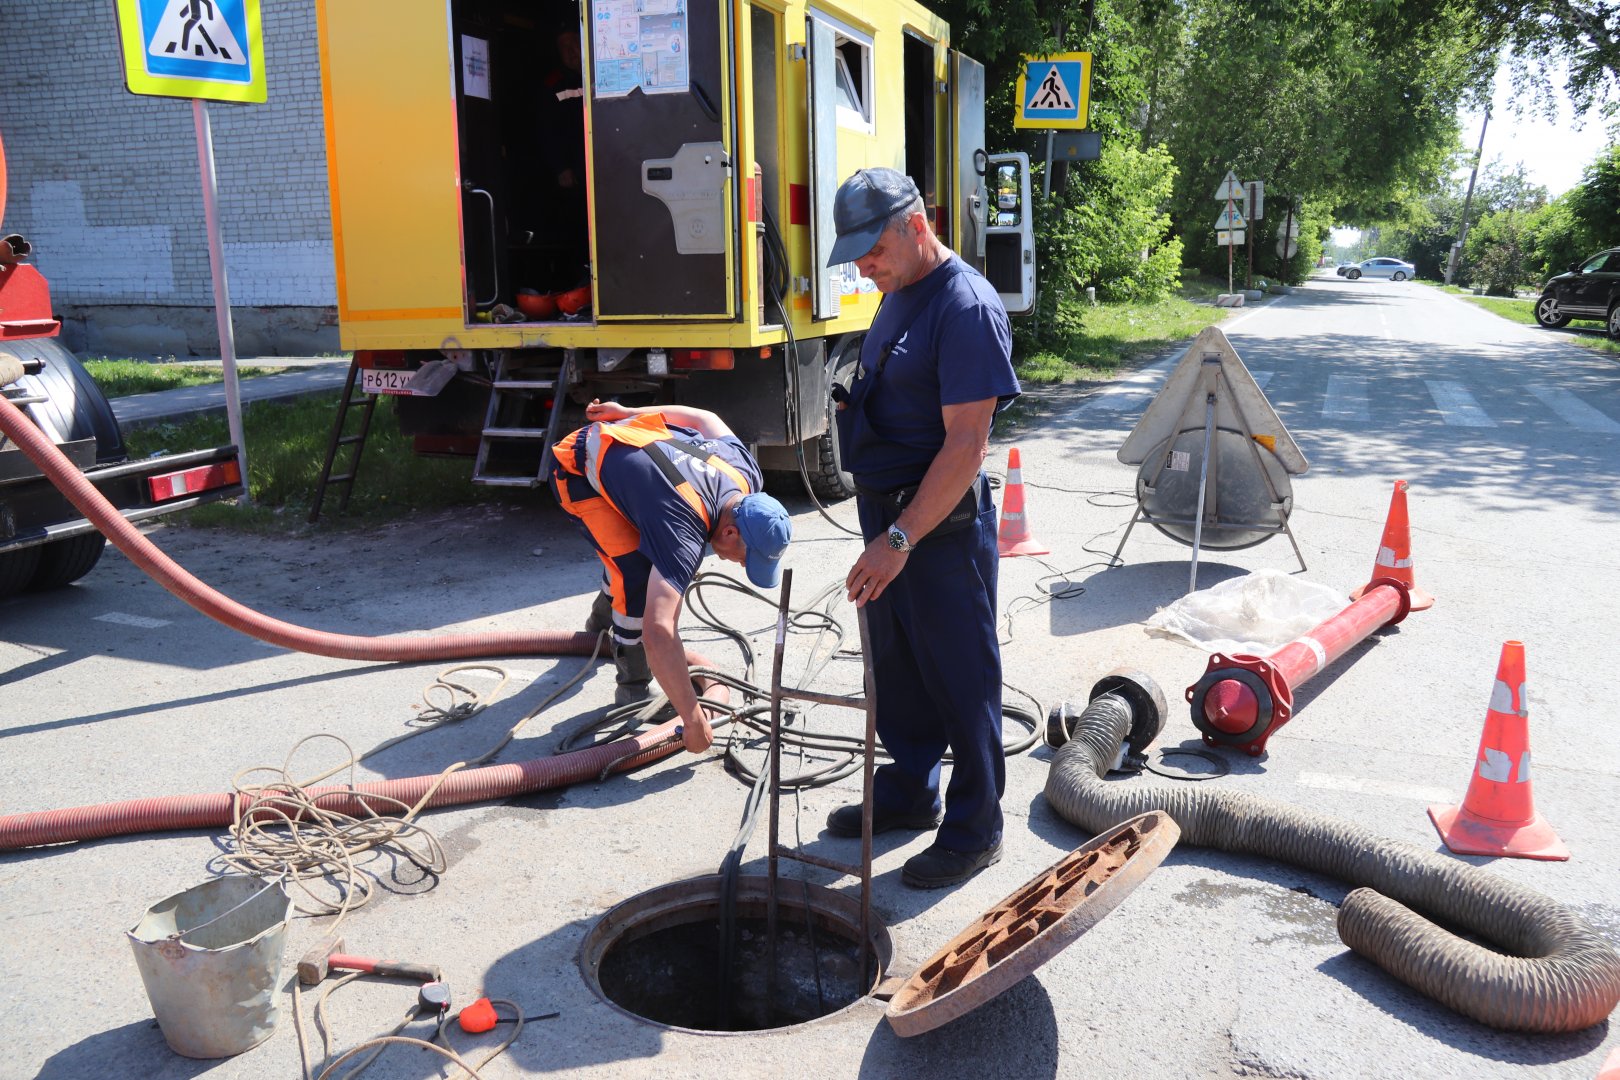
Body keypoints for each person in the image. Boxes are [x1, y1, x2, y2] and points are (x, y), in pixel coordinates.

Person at [822, 167, 1019, 889]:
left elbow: (967, 446)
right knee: (897, 666)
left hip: (933, 527)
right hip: (889, 515)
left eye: (870, 251)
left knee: (959, 675)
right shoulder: (898, 292)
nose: (863, 267)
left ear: (915, 225)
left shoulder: (963, 306)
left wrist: (899, 539)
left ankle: (975, 828)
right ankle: (910, 790)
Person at [549, 400, 792, 753]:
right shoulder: (683, 532)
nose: (742, 565)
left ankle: (601, 623)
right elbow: (659, 630)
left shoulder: (745, 477)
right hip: (579, 465)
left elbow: (705, 416)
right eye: (746, 558)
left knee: (642, 560)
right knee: (635, 573)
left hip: (630, 449)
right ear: (729, 534)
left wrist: (629, 410)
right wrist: (692, 719)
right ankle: (632, 687)